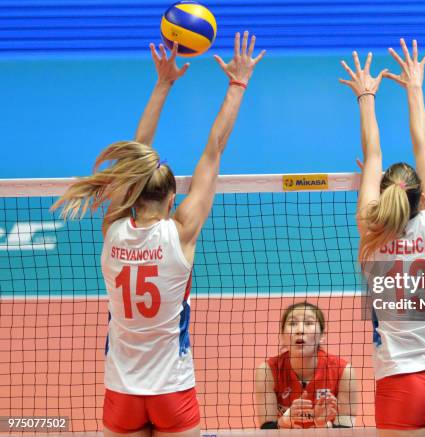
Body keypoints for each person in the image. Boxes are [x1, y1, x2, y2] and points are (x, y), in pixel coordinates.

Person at [51, 32, 265, 436]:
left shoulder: (113, 229)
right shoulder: (181, 233)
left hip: (121, 390)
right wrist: (238, 84)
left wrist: (162, 84)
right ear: (172, 200)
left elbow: (136, 151)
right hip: (172, 389)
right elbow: (214, 149)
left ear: (130, 193)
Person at [342, 39, 425, 437]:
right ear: (422, 196)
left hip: (401, 382)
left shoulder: (370, 231)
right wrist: (414, 88)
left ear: (381, 194)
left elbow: (373, 155)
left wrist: (367, 97)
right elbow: (424, 146)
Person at [255, 301, 359, 429]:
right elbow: (266, 428)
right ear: (282, 336)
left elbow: (346, 429)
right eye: (292, 323)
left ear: (322, 336)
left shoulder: (343, 371)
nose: (300, 330)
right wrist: (285, 421)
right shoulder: (267, 371)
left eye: (309, 323)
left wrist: (322, 425)